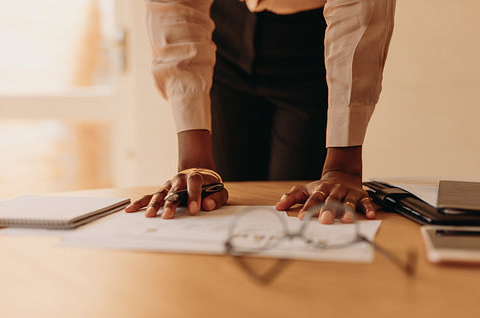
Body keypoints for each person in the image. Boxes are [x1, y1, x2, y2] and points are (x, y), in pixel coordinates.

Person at [125, 0, 396, 223]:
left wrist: (343, 168)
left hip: (313, 39)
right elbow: (174, 6)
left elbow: (360, 11)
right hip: (223, 34)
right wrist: (193, 163)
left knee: (301, 214)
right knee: (216, 209)